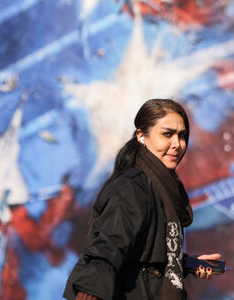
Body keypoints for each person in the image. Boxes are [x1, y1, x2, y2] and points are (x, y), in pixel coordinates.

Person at [63, 98, 222, 300]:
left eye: (182, 136)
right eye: (167, 134)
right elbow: (107, 250)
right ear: (141, 136)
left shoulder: (162, 186)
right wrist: (90, 291)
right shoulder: (131, 187)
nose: (177, 144)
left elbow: (145, 259)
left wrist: (187, 263)